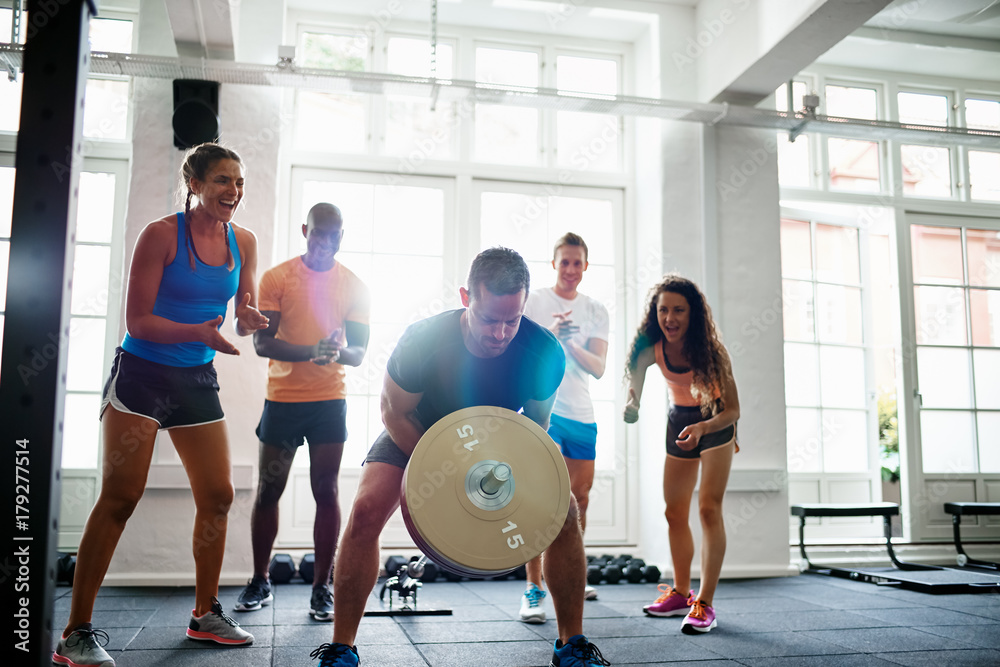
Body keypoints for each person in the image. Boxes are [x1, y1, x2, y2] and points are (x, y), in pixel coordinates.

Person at [310, 247, 609, 667]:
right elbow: (393, 411)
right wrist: (442, 465)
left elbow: (535, 428)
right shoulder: (423, 340)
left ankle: (572, 644)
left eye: (513, 319)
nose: (501, 333)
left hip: (499, 437)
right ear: (466, 297)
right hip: (418, 427)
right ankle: (341, 648)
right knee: (364, 511)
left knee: (565, 512)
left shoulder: (543, 352)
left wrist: (507, 472)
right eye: (490, 319)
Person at [53, 143, 269, 667]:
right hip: (144, 373)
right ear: (194, 184)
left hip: (195, 377)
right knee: (122, 495)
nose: (232, 192)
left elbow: (242, 310)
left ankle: (204, 614)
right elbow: (139, 321)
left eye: (238, 182)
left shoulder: (244, 241)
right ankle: (75, 632)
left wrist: (251, 319)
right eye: (221, 181)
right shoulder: (160, 235)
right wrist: (197, 330)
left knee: (217, 494)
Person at [233, 203, 370, 622]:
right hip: (284, 400)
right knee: (269, 491)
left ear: (342, 236)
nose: (326, 242)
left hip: (329, 402)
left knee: (326, 491)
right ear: (305, 230)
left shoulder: (354, 286)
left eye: (335, 235)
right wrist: (313, 351)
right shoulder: (277, 278)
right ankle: (260, 579)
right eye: (319, 233)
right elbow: (263, 344)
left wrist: (335, 352)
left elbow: (359, 353)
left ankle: (321, 587)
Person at [622, 274, 740, 635]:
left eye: (678, 310)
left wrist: (704, 428)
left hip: (715, 423)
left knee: (707, 509)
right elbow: (636, 376)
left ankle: (704, 602)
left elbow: (733, 410)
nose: (669, 318)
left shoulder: (712, 353)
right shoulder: (651, 347)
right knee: (674, 512)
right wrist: (633, 402)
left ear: (693, 315)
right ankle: (679, 592)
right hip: (679, 421)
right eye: (663, 310)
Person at [520, 233, 609, 622]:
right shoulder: (536, 301)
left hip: (581, 413)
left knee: (580, 498)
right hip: (545, 409)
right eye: (564, 262)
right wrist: (554, 338)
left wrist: (573, 345)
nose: (571, 269)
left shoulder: (595, 309)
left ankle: (569, 572)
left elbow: (600, 367)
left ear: (586, 266)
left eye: (577, 263)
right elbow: (521, 355)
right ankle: (534, 588)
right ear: (553, 264)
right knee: (542, 498)